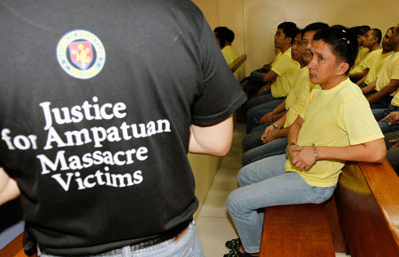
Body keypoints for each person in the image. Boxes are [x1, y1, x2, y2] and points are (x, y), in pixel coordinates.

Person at [0, 1, 247, 257]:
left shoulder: (8, 19)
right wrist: (145, 133)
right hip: (166, 244)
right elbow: (215, 141)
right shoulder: (177, 12)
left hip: (66, 247)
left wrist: (59, 155)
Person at [224, 25, 386, 257]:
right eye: (313, 56)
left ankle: (252, 250)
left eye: (321, 58)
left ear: (342, 67)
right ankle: (257, 234)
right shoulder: (320, 88)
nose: (311, 64)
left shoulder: (350, 98)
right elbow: (298, 123)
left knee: (235, 202)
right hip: (297, 161)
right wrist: (291, 146)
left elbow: (376, 151)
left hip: (315, 182)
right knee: (245, 174)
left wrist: (317, 152)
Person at [241, 22, 329, 165]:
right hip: (289, 128)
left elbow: (302, 124)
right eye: (303, 43)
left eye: (304, 43)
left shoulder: (322, 82)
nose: (302, 47)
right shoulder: (306, 71)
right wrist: (275, 122)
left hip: (297, 137)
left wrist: (276, 128)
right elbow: (294, 105)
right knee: (253, 126)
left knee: (250, 147)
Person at [362, 25, 399, 109]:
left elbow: (392, 86)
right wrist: (359, 91)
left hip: (385, 99)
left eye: (394, 33)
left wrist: (368, 100)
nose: (390, 38)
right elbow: (377, 82)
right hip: (378, 94)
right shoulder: (391, 56)